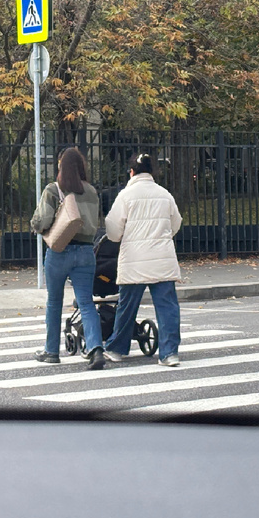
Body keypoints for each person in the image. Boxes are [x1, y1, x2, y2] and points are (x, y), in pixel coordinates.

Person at [103, 153, 183, 367]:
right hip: (162, 258)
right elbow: (176, 223)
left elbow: (112, 230)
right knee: (167, 307)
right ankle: (169, 353)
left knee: (127, 306)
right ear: (152, 172)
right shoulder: (165, 194)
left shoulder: (126, 195)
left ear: (131, 172)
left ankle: (117, 348)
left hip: (134, 260)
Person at [30, 147, 106, 369]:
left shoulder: (54, 190)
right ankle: (96, 349)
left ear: (61, 167)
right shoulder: (91, 191)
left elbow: (42, 221)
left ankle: (51, 351)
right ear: (82, 167)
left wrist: (35, 225)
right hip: (85, 252)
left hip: (59, 251)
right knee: (85, 302)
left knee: (54, 301)